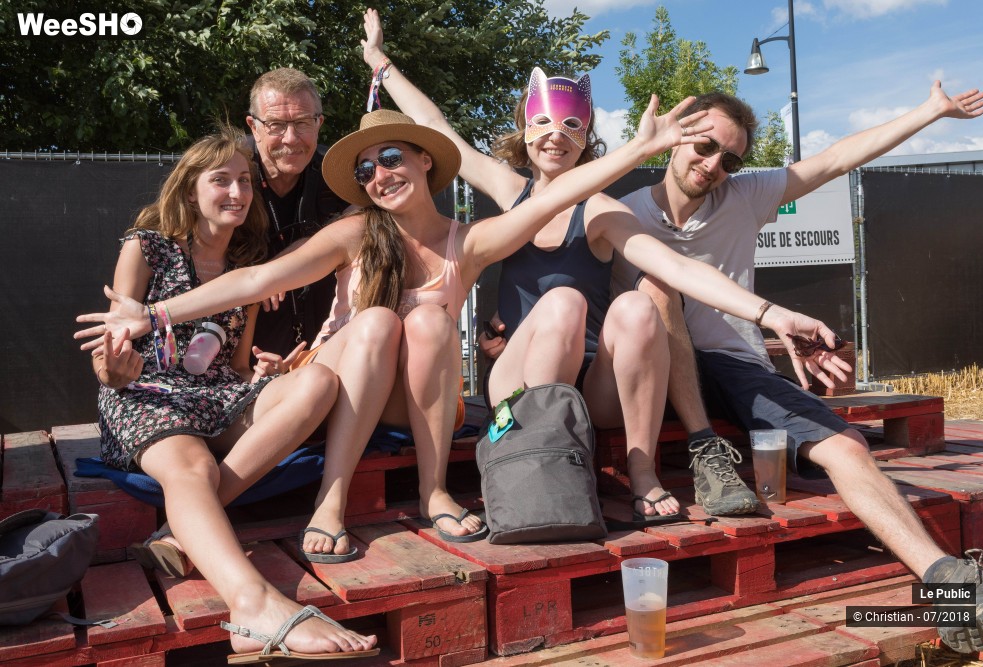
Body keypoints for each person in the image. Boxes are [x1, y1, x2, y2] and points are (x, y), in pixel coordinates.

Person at [77, 99, 713, 559]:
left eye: (390, 158)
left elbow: (549, 199)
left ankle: (436, 492)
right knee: (381, 318)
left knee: (432, 321)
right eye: (365, 170)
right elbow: (255, 282)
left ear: (424, 164)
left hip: (419, 404)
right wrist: (155, 314)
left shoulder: (469, 242)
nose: (378, 175)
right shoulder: (354, 233)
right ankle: (330, 502)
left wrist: (635, 151)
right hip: (350, 394)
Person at [360, 9, 851, 527]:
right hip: (517, 386)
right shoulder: (511, 193)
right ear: (525, 132)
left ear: (587, 137)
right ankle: (535, 459)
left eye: (572, 125)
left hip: (595, 387)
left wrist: (771, 314)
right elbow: (434, 123)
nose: (555, 135)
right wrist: (378, 60)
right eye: (543, 122)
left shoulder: (598, 210)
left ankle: (643, 472)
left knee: (641, 303)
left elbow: (676, 269)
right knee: (563, 302)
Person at [611, 86, 983, 654]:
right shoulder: (621, 211)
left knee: (845, 449)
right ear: (676, 137)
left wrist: (931, 111)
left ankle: (948, 584)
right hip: (648, 365)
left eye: (732, 158)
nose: (714, 164)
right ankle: (703, 446)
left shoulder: (744, 196)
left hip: (731, 361)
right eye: (704, 145)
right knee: (656, 285)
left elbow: (837, 158)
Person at [87, 128, 378, 661]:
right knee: (191, 467)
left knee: (317, 381)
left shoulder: (247, 274)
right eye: (220, 180)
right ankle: (253, 605)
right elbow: (111, 349)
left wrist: (269, 373)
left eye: (245, 181)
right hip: (146, 396)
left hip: (216, 397)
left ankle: (182, 529)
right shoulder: (145, 246)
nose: (237, 193)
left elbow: (235, 368)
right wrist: (115, 370)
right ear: (189, 190)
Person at [246, 68, 351, 359]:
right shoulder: (225, 172)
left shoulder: (342, 176)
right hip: (231, 360)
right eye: (276, 125)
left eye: (303, 123)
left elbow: (366, 222)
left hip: (322, 352)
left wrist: (280, 268)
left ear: (319, 123)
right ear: (254, 127)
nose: (291, 139)